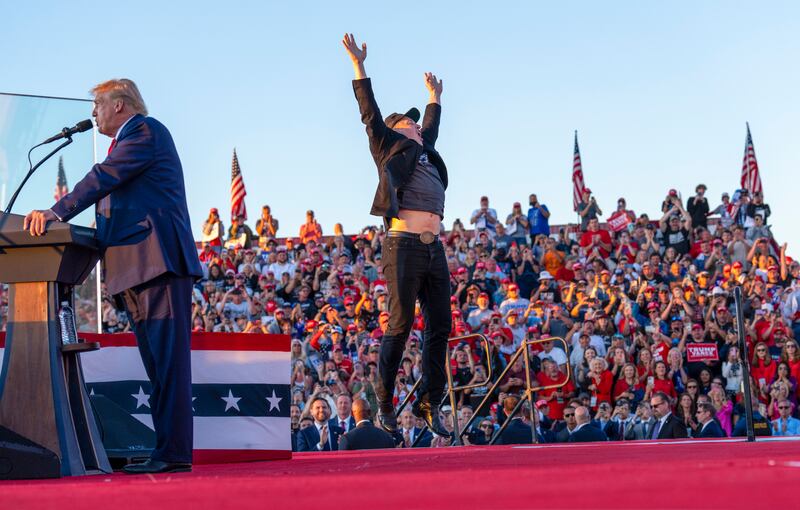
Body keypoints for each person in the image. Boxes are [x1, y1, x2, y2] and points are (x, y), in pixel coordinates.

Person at [25, 79, 202, 474]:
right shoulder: (127, 141)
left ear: (121, 105)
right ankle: (167, 450)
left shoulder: (145, 131)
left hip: (159, 264)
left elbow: (103, 177)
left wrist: (57, 213)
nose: (93, 113)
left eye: (99, 105)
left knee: (168, 366)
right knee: (158, 368)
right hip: (137, 269)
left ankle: (174, 454)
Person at [344, 33, 450, 436]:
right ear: (397, 129)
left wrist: (434, 97)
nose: (418, 125)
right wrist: (359, 65)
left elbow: (433, 126)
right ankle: (384, 398)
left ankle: (429, 399)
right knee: (401, 323)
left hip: (433, 247)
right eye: (411, 121)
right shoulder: (389, 146)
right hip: (402, 243)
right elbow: (369, 112)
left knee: (441, 324)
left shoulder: (426, 149)